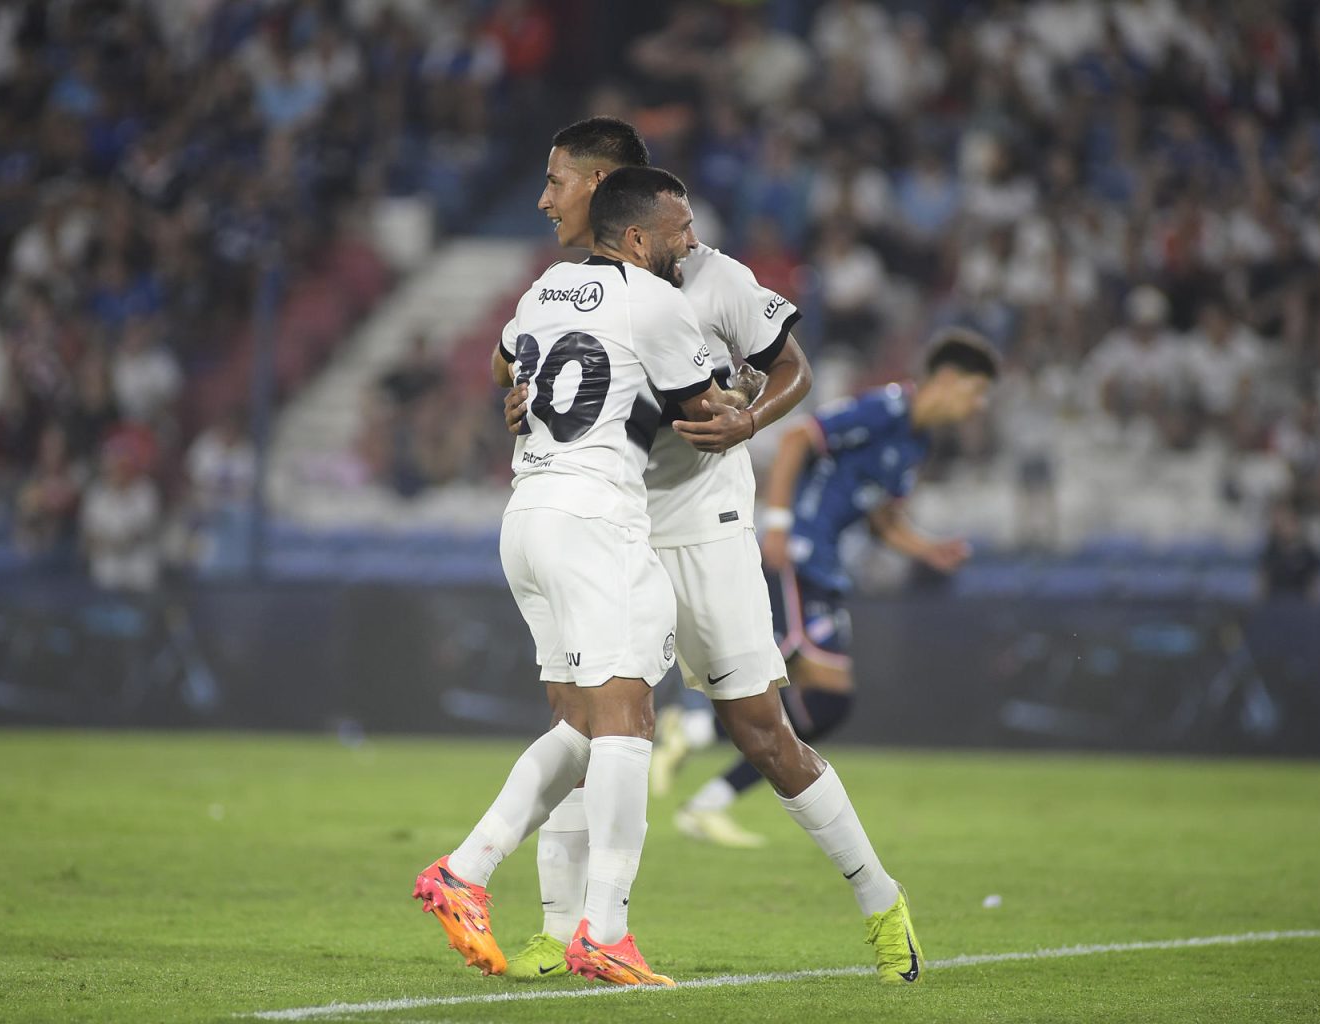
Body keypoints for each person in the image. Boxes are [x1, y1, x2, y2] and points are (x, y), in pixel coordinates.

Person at [499, 116, 924, 985]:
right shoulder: (564, 287)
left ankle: (882, 900)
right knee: (582, 721)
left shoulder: (711, 275)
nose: (545, 198)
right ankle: (562, 930)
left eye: (558, 181)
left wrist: (747, 420)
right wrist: (518, 397)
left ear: (607, 188)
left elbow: (795, 368)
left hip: (703, 530)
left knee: (762, 732)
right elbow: (517, 367)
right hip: (609, 523)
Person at [414, 166, 739, 987]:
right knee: (628, 718)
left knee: (593, 726)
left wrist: (520, 396)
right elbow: (706, 416)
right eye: (676, 234)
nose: (687, 246)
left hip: (528, 518)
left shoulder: (543, 289)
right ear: (636, 238)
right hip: (598, 520)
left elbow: (502, 370)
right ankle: (604, 930)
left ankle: (467, 870)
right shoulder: (657, 302)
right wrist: (749, 397)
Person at [675, 329, 999, 845]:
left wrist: (928, 549)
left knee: (822, 704)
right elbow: (802, 436)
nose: (977, 405)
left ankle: (699, 772)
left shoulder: (915, 442)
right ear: (948, 380)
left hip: (824, 568)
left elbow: (882, 520)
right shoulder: (888, 408)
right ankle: (692, 764)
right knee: (789, 689)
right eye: (976, 390)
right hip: (799, 554)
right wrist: (779, 522)